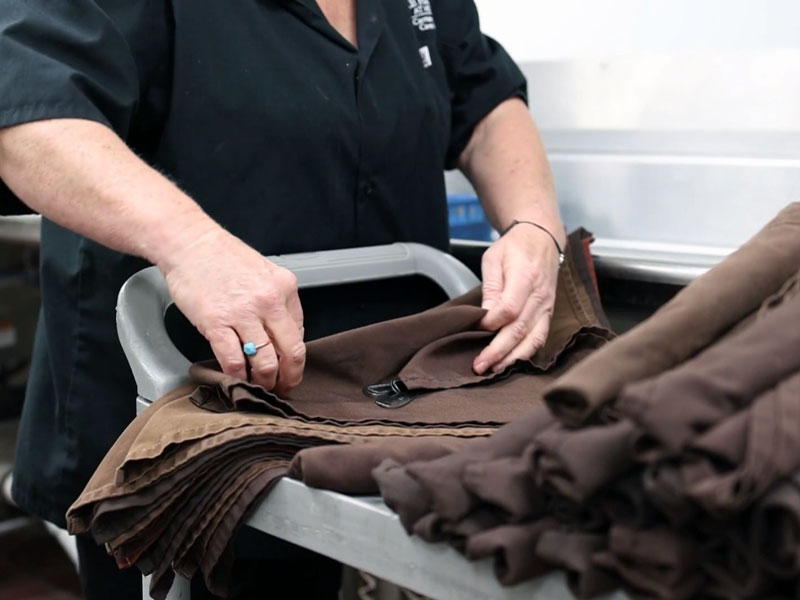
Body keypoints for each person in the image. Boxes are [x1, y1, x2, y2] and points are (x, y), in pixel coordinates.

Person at [0, 0, 565, 598]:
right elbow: (25, 110)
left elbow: (483, 103)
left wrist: (533, 225)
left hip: (385, 408)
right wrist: (190, 243)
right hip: (176, 418)